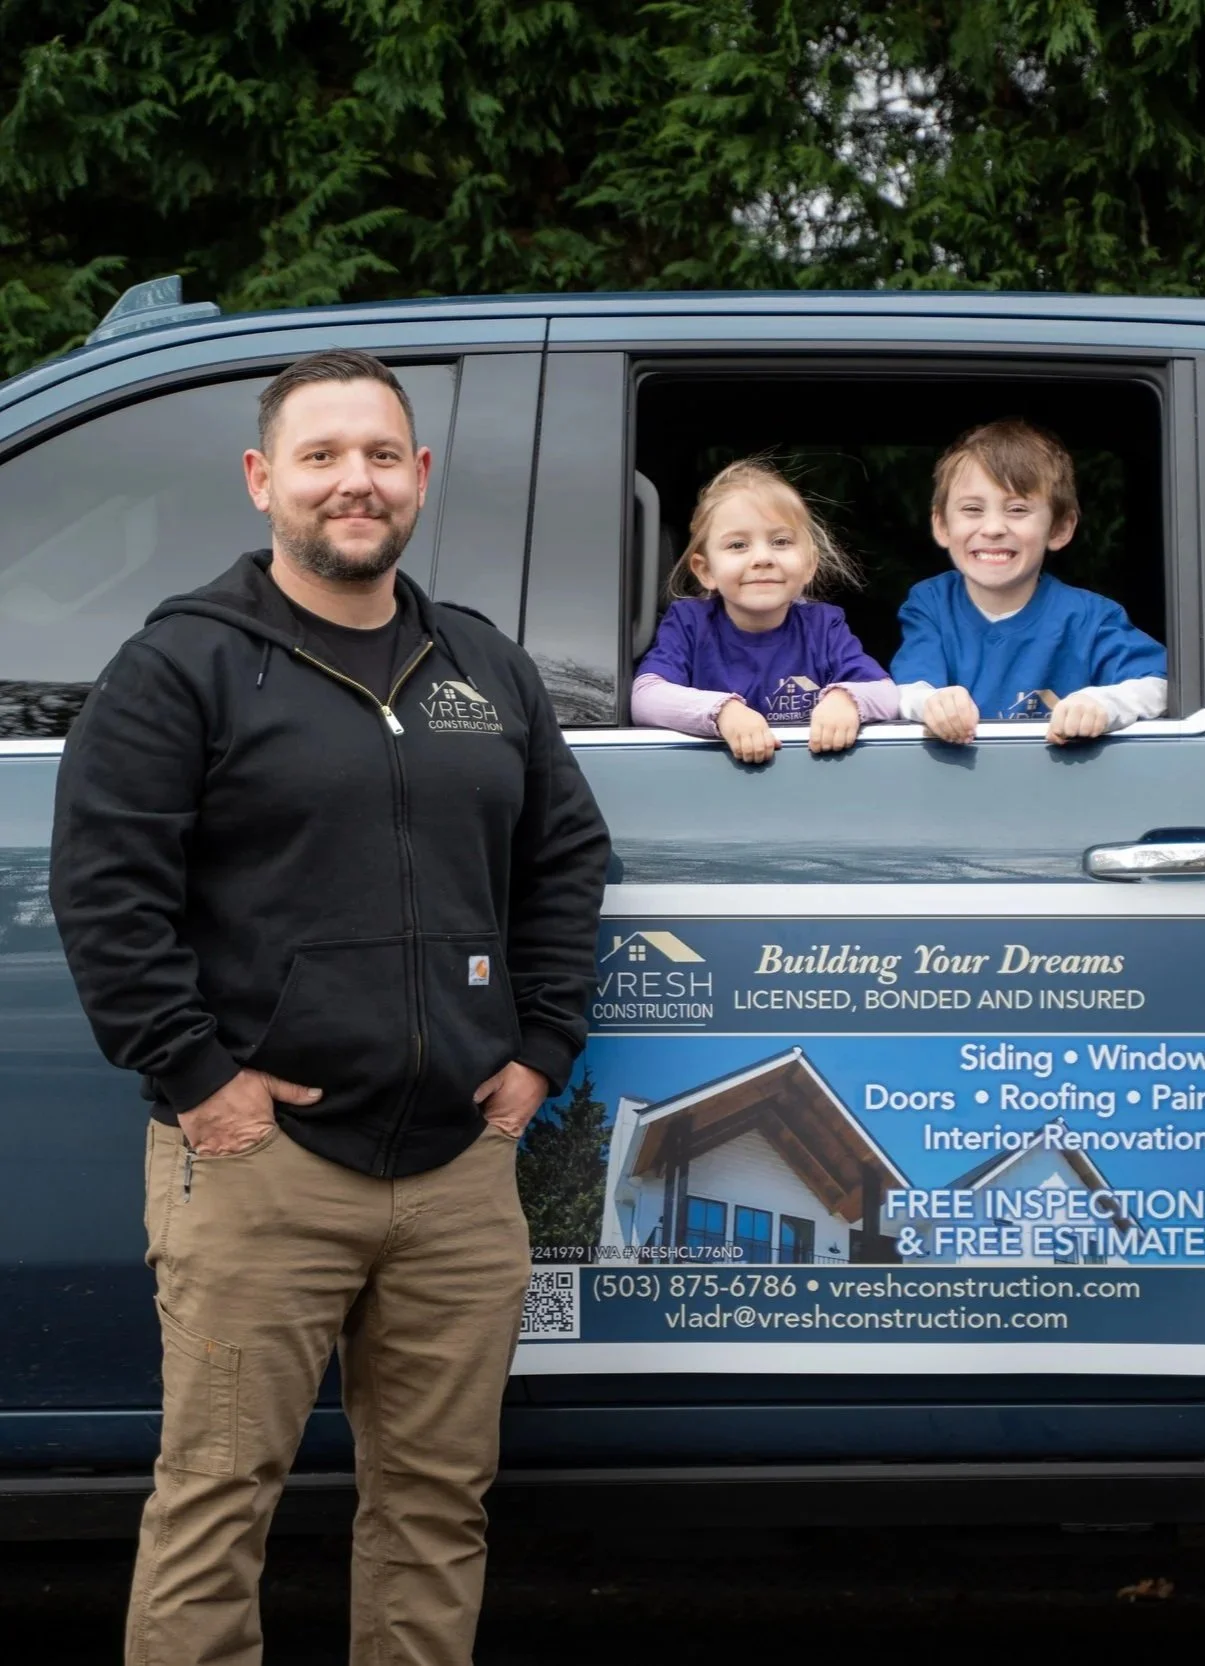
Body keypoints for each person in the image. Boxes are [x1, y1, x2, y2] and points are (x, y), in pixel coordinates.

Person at [49, 348, 611, 1666]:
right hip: (262, 1163)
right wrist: (199, 1078)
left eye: (379, 455)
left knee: (435, 1507)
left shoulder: (482, 663)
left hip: (457, 1169)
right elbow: (106, 888)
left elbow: (566, 857)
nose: (353, 481)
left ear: (418, 476)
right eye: (320, 456)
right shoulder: (181, 664)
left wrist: (540, 1047)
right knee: (215, 1504)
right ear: (263, 480)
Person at [889, 418, 1167, 745]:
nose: (993, 528)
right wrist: (933, 703)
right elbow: (907, 690)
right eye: (973, 509)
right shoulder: (932, 604)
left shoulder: (1091, 617)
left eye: (1018, 509)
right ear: (942, 526)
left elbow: (1162, 684)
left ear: (1059, 529)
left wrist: (1103, 704)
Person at [631, 459, 898, 764]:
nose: (762, 558)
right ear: (705, 571)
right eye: (738, 545)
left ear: (809, 564)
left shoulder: (822, 626)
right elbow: (645, 697)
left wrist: (846, 700)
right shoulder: (690, 623)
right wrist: (723, 712)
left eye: (780, 541)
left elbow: (887, 694)